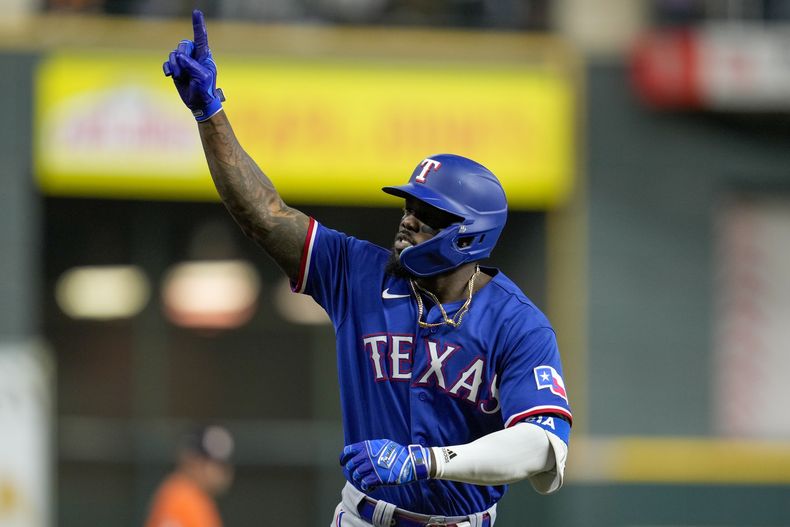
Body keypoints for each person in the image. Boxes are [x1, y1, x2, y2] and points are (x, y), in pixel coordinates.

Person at [164, 11, 572, 526]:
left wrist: (426, 462)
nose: (408, 222)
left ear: (470, 235)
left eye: (427, 216)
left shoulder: (518, 324)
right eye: (408, 207)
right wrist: (210, 114)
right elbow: (264, 216)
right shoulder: (359, 273)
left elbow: (543, 447)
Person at [144, 425, 235, 527]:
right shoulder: (180, 497)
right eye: (210, 463)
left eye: (222, 464)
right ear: (191, 459)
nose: (219, 471)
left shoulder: (198, 498)